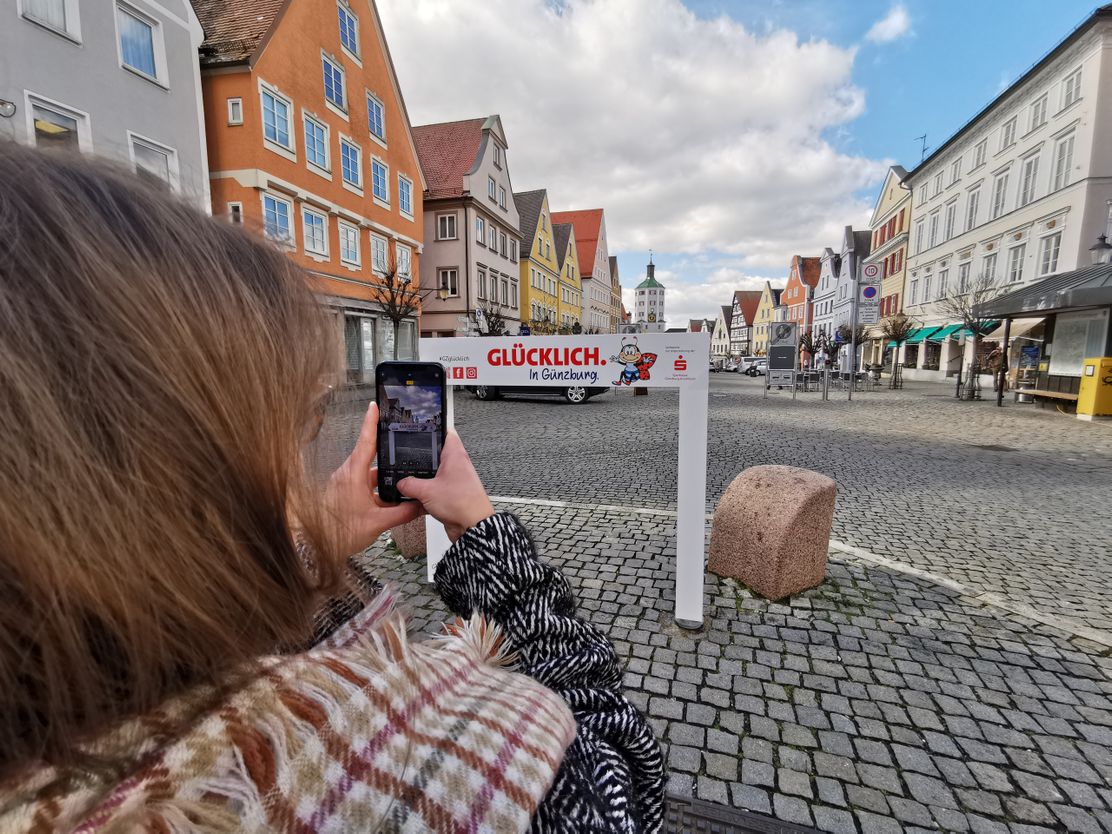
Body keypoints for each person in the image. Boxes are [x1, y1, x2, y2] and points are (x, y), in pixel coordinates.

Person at [0, 142, 663, 832]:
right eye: (299, 422)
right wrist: (486, 537)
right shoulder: (397, 766)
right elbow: (623, 780)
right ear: (194, 470)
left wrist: (308, 549)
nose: (303, 452)